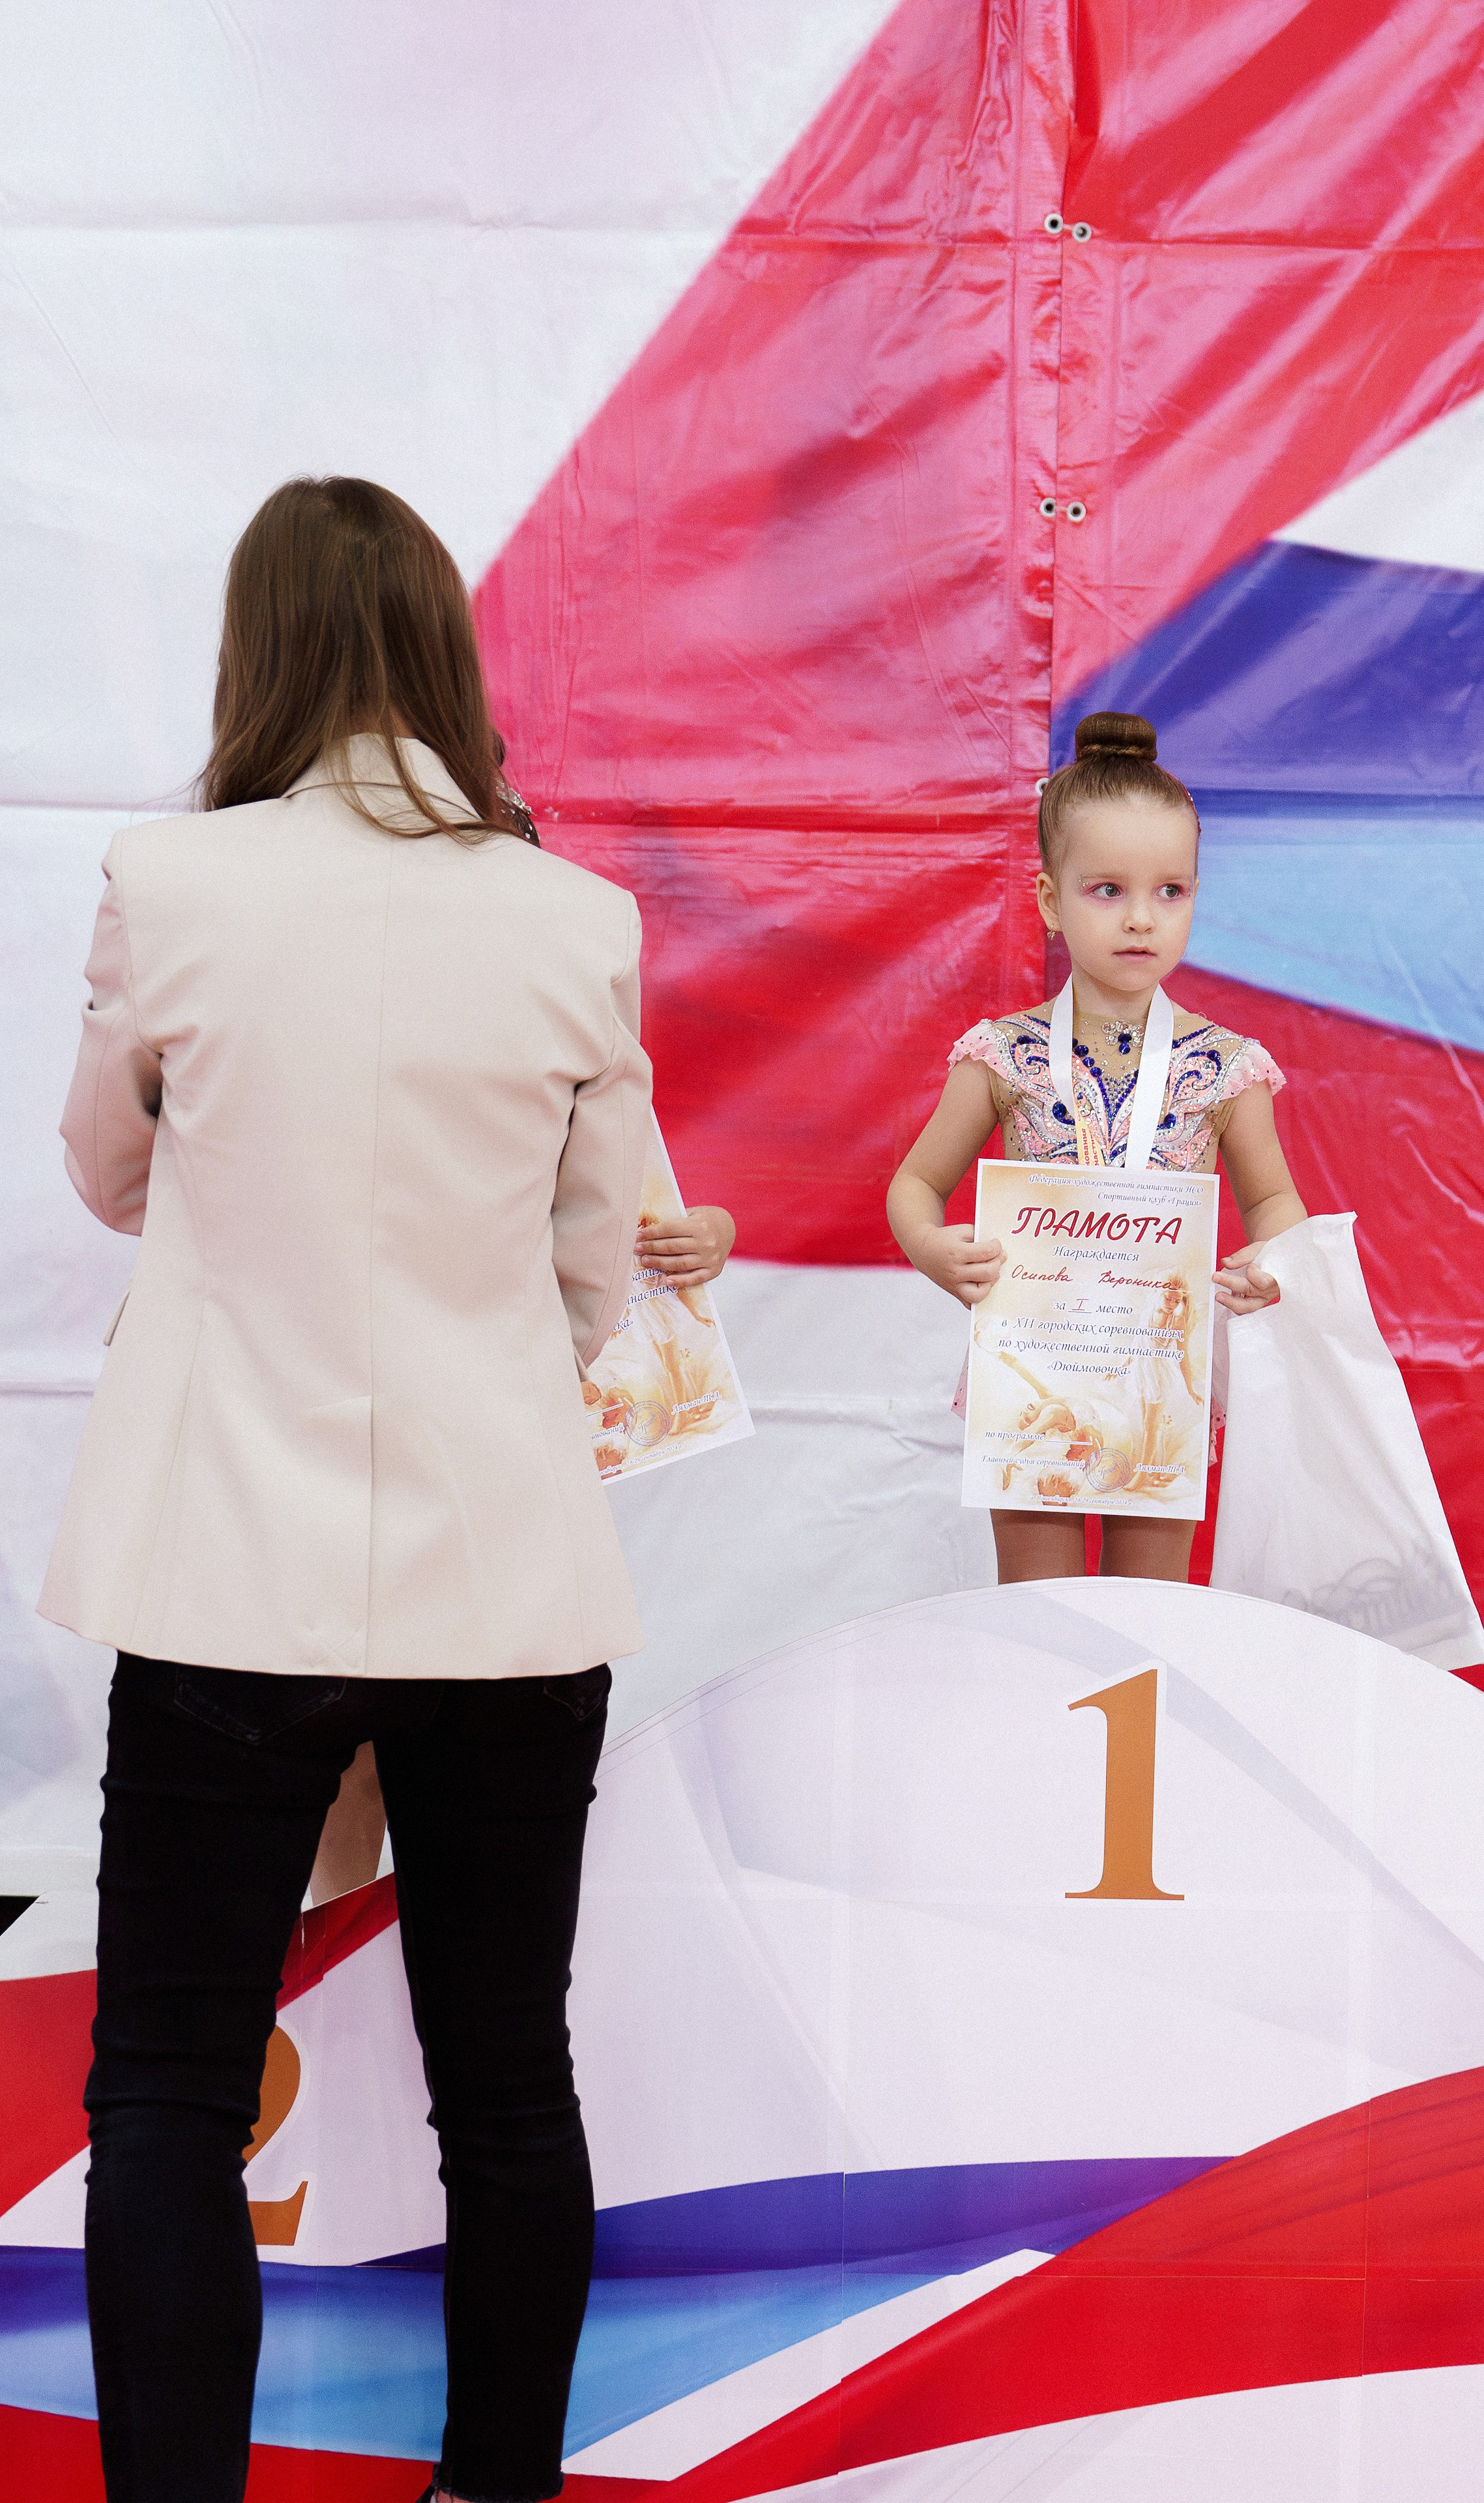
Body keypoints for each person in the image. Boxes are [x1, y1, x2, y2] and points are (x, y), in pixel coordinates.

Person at [36, 474, 654, 2503]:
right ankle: (493, 2486)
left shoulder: (170, 881)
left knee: (168, 2096)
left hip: (230, 1560)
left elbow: (114, 1179)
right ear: (446, 660)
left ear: (262, 648)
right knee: (506, 2082)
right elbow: (604, 1265)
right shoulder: (577, 921)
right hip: (503, 1571)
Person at [886, 710, 1307, 1587]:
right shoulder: (1001, 1055)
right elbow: (917, 1183)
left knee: (1144, 1617)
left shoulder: (1227, 1068)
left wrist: (1273, 1257)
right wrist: (930, 1246)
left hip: (1162, 1372)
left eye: (1171, 892)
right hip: (1033, 1369)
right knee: (1036, 1612)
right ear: (1050, 899)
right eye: (1107, 890)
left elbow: (1275, 1203)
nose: (1141, 919)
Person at [310, 1195, 738, 1903]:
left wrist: (705, 1233)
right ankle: (333, 1955)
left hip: (512, 1439)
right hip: (372, 1411)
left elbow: (634, 1194)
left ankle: (432, 1956)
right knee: (351, 1712)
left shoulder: (567, 1100)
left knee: (484, 1706)